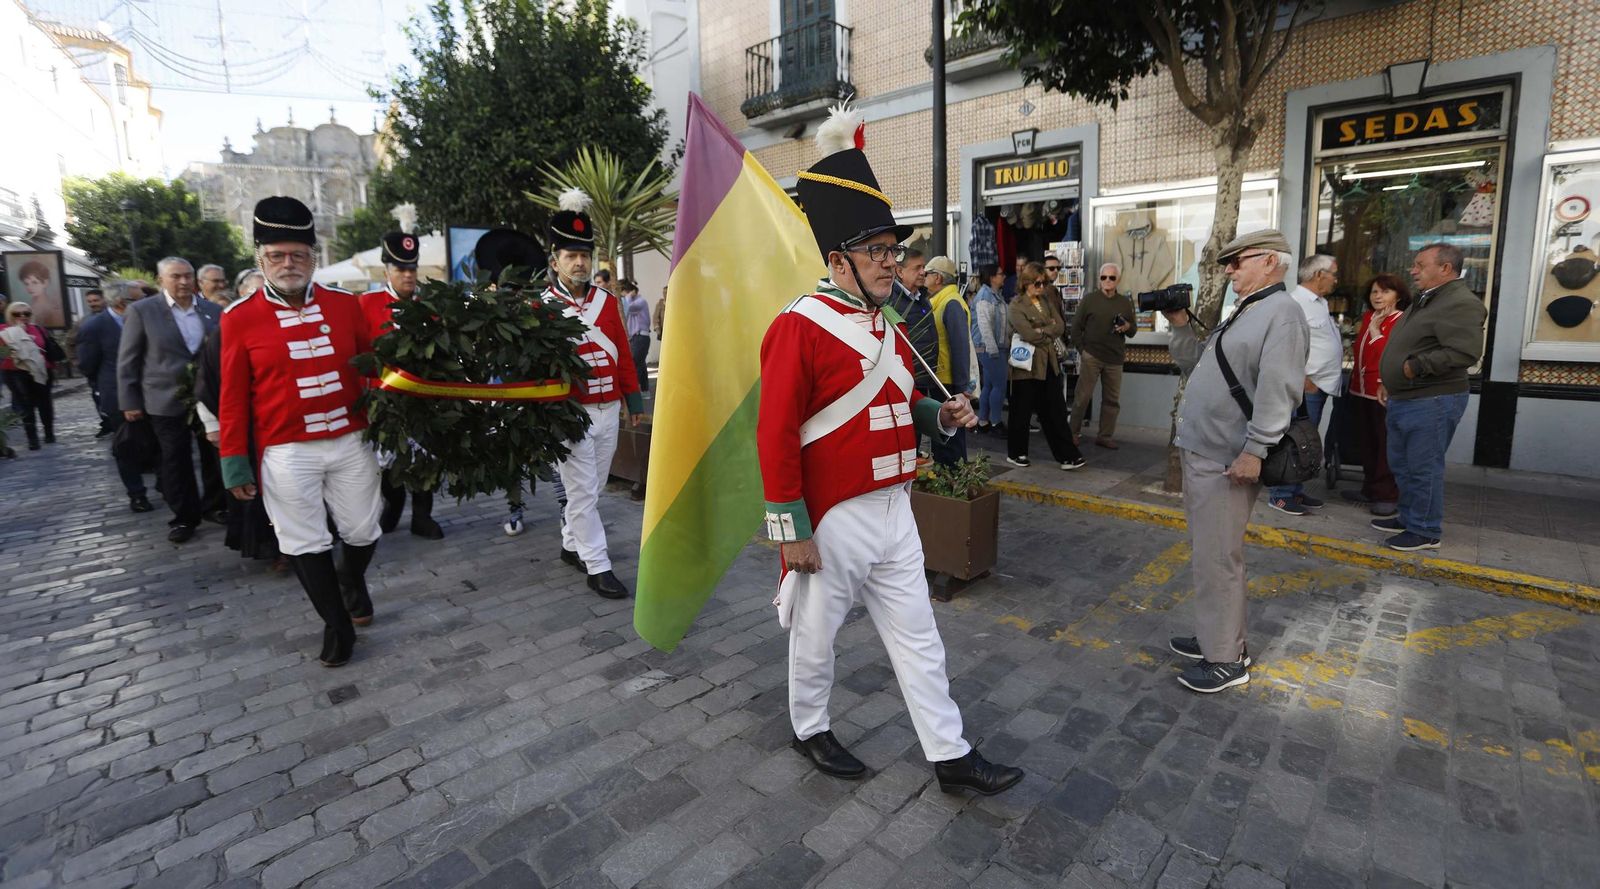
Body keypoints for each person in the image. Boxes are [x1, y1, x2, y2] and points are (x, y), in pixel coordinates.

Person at [760, 106, 1022, 795]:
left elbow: (905, 403)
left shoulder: (893, 326)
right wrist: (791, 531)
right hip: (836, 510)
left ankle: (951, 754)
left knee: (920, 637)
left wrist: (944, 413)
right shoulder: (799, 325)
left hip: (894, 505)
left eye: (891, 249)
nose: (891, 262)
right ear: (837, 258)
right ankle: (809, 724)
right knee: (815, 635)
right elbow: (776, 431)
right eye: (876, 251)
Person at [220, 196, 381, 666]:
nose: (287, 264)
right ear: (261, 259)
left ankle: (351, 579)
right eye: (276, 255)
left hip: (352, 439)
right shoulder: (238, 318)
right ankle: (336, 624)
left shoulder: (346, 306)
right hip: (286, 450)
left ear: (314, 258)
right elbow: (232, 398)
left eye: (298, 255)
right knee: (304, 541)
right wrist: (235, 462)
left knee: (363, 529)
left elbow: (376, 368)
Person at [1165, 230, 1308, 693]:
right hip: (1207, 450)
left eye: (1236, 262)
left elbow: (1279, 388)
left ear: (1269, 262)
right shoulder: (1249, 309)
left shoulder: (1281, 313)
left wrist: (1256, 449)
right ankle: (1218, 637)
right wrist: (1180, 324)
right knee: (1210, 555)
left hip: (1228, 457)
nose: (1229, 270)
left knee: (1218, 559)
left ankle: (1226, 659)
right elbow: (1199, 366)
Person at [543, 190, 644, 599]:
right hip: (571, 414)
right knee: (583, 491)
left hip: (607, 412)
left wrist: (632, 400)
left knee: (593, 487)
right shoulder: (544, 308)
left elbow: (620, 352)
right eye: (571, 255)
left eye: (584, 254)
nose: (580, 262)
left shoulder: (607, 302)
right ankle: (598, 565)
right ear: (556, 261)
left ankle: (571, 543)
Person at [1374, 242, 1486, 552]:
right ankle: (1410, 517)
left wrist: (1414, 367)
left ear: (1445, 269)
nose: (1413, 270)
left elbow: (1464, 352)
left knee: (1423, 467)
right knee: (1403, 464)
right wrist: (1390, 379)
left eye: (1421, 265)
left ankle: (1424, 530)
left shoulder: (1460, 302)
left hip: (1432, 400)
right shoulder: (1428, 299)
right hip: (1406, 397)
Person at [117, 257, 222, 542]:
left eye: (188, 276)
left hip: (207, 398)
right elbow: (128, 359)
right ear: (160, 279)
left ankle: (214, 506)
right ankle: (184, 517)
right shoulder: (142, 311)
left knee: (213, 455)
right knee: (175, 459)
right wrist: (130, 401)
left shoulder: (212, 310)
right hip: (164, 398)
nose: (184, 282)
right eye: (176, 276)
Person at [360, 232, 445, 540]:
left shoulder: (429, 306)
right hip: (382, 400)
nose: (407, 275)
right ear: (387, 272)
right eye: (400, 270)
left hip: (423, 400)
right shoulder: (366, 304)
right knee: (387, 459)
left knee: (427, 457)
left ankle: (422, 517)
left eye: (411, 269)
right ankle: (393, 508)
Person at [1267, 254, 1343, 516]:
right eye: (1333, 273)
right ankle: (1280, 494)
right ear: (1318, 275)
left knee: (1305, 442)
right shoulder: (1295, 302)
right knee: (1292, 440)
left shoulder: (1318, 303)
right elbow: (1284, 347)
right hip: (1305, 387)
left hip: (1319, 387)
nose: (1336, 279)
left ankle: (1295, 491)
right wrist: (1303, 380)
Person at [76, 287, 153, 511]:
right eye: (140, 300)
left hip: (151, 391)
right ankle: (137, 494)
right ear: (121, 301)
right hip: (117, 395)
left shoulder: (147, 319)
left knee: (157, 442)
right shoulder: (95, 327)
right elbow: (87, 364)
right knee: (127, 446)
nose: (146, 303)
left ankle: (165, 485)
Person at [1006, 263, 1085, 470]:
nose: (1041, 287)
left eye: (1045, 283)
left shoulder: (1046, 300)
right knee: (1021, 411)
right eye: (1037, 283)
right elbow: (1028, 334)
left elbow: (1059, 326)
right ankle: (1017, 452)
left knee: (1056, 410)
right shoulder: (1016, 305)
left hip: (1048, 364)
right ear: (1026, 283)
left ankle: (1068, 455)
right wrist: (1044, 331)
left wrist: (1041, 331)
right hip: (1026, 366)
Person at [1344, 274, 1410, 517]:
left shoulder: (1400, 320)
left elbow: (1390, 355)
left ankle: (1387, 494)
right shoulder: (1368, 316)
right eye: (1374, 292)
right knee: (1367, 443)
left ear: (1398, 296)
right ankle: (1370, 488)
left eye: (1385, 292)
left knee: (1385, 446)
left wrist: (1374, 330)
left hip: (1382, 392)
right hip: (1361, 390)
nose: (1378, 296)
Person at [1070, 263, 1137, 449]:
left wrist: (1126, 327)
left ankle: (1105, 436)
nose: (1107, 281)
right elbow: (1076, 328)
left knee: (1112, 400)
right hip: (1092, 355)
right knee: (1082, 397)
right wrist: (1083, 351)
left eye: (1112, 278)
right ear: (1099, 279)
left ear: (1118, 280)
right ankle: (1073, 432)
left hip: (1115, 358)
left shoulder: (1124, 302)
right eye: (1103, 277)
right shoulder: (1090, 300)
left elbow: (1133, 330)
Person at [923, 256, 971, 466]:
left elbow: (960, 347)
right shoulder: (940, 300)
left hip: (948, 382)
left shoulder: (951, 302)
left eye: (927, 273)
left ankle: (955, 481)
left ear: (938, 278)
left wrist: (961, 387)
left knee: (951, 440)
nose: (923, 277)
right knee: (943, 438)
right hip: (940, 378)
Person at [2, 302, 55, 449]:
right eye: (17, 314)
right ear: (9, 315)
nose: (22, 316)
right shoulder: (3, 330)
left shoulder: (38, 329)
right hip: (15, 372)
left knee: (45, 402)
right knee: (25, 404)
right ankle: (32, 439)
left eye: (26, 313)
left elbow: (45, 347)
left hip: (41, 370)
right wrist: (17, 333)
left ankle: (49, 433)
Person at [970, 264, 1009, 436]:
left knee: (990, 385)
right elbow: (984, 326)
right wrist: (993, 350)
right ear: (992, 277)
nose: (1004, 276)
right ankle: (995, 422)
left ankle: (984, 421)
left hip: (992, 347)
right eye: (1001, 274)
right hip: (990, 348)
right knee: (999, 386)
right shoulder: (985, 297)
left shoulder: (994, 296)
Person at [621, 278, 652, 393]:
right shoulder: (630, 302)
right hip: (635, 338)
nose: (623, 297)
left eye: (623, 293)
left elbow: (628, 308)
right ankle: (644, 390)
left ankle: (637, 391)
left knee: (635, 364)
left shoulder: (640, 302)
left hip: (641, 337)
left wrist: (629, 296)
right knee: (641, 364)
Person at [17, 259, 64, 328]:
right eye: (26, 284)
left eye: (35, 282)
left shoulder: (52, 310)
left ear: (45, 283)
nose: (30, 287)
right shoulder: (29, 306)